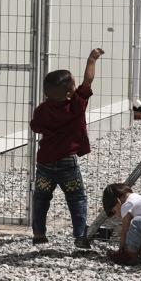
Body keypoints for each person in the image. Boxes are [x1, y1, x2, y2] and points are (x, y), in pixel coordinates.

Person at [29, 47, 103, 248]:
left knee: (41, 198)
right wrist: (91, 59)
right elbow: (87, 82)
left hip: (45, 163)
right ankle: (80, 236)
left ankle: (38, 233)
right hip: (67, 164)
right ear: (71, 92)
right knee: (76, 198)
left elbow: (35, 126)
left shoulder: (42, 110)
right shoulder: (76, 105)